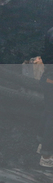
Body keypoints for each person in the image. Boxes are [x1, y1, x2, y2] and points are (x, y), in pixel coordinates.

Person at [39, 27, 53, 167]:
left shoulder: (50, 30)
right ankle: (47, 156)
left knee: (49, 111)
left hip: (48, 78)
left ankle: (42, 144)